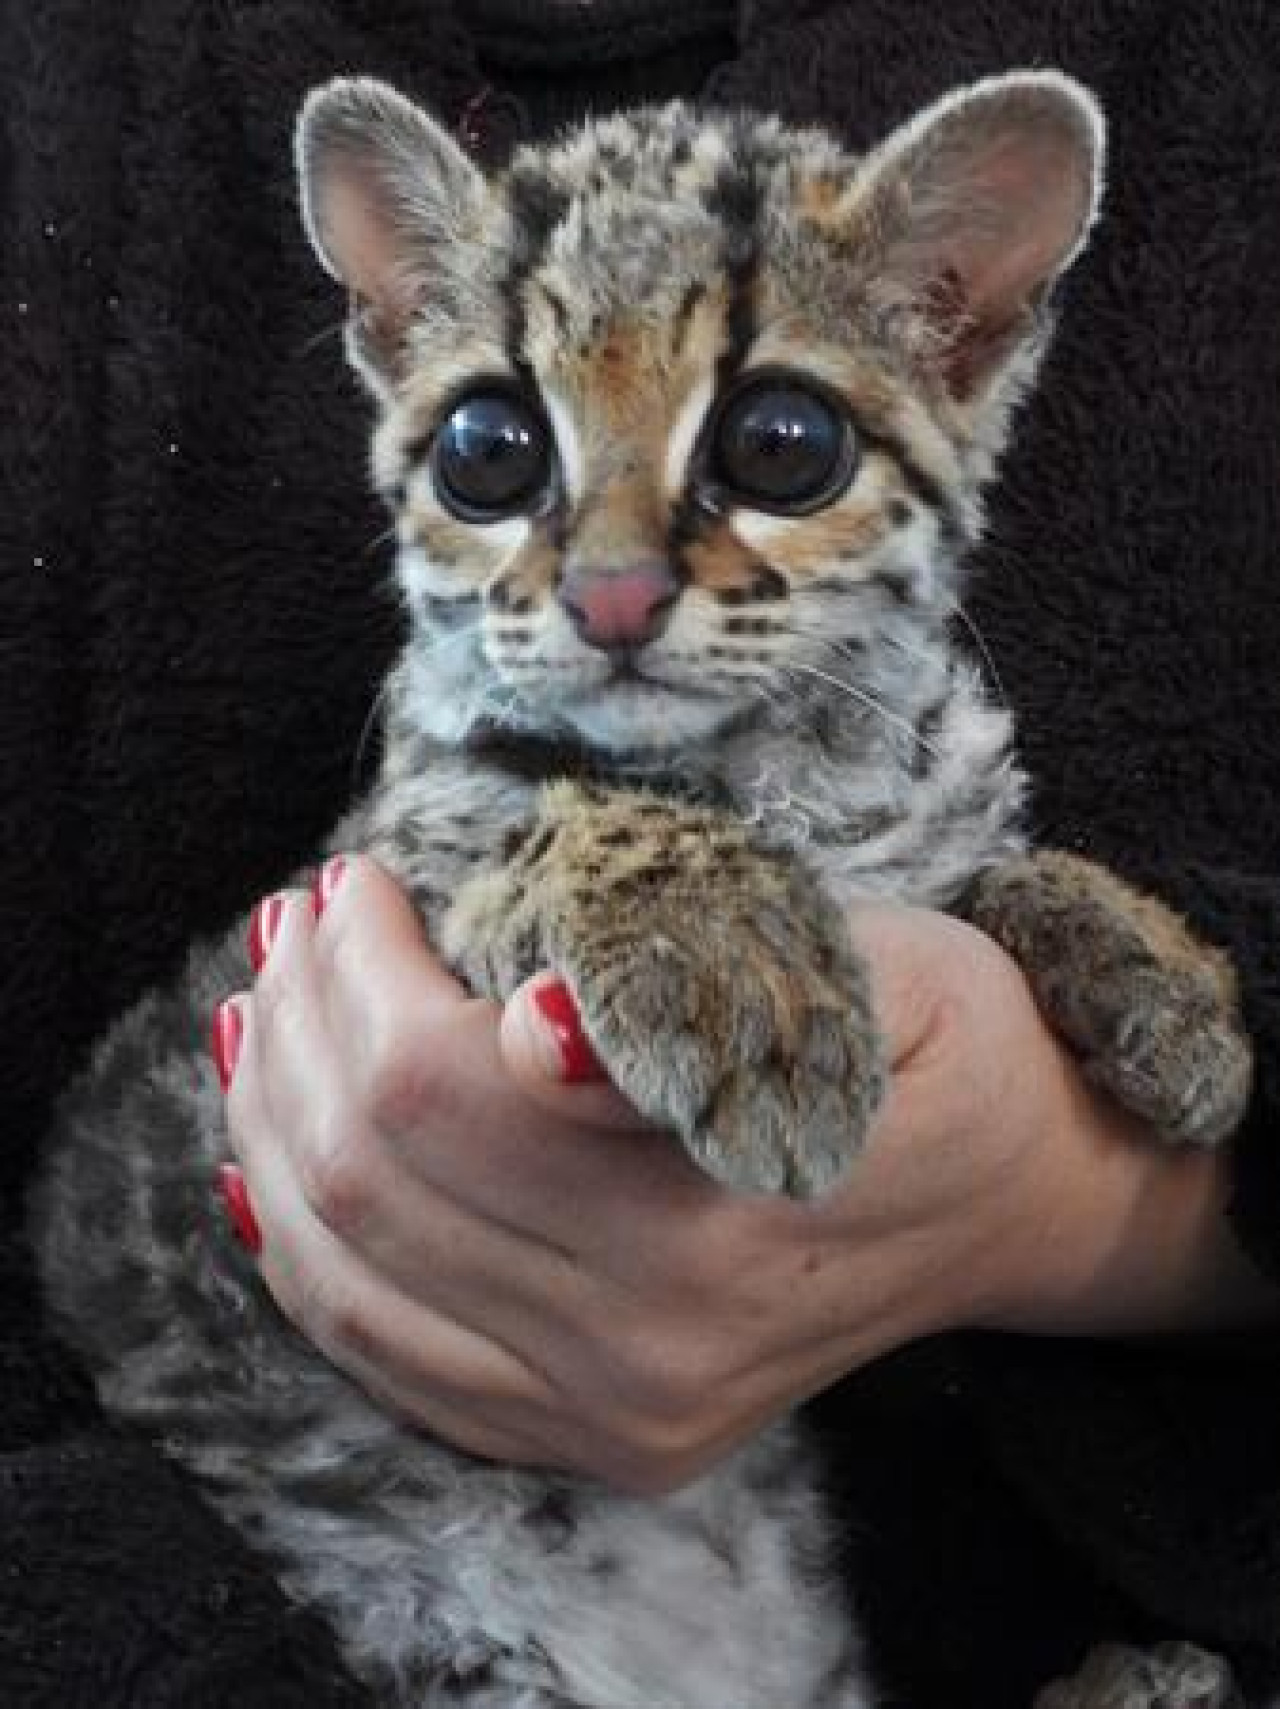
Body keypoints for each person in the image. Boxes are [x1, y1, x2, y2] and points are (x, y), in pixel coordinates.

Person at [4, 2, 1280, 1705]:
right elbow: (441, 888)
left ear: (956, 340)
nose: (613, 580)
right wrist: (607, 874)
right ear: (390, 355)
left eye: (770, 446)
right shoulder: (475, 768)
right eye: (494, 451)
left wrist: (1072, 1146)